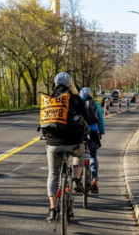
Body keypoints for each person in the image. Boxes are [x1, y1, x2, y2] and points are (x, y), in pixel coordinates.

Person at [42, 72, 89, 222]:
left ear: (55, 84)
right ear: (70, 85)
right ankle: (76, 179)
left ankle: (52, 210)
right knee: (81, 153)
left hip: (53, 145)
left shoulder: (48, 99)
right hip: (74, 143)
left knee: (53, 174)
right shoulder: (75, 99)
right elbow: (86, 120)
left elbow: (43, 123)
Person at [79, 87, 105, 194]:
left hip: (80, 133)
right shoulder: (95, 104)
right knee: (93, 156)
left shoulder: (77, 103)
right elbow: (100, 119)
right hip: (93, 133)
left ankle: (79, 180)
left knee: (78, 157)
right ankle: (94, 180)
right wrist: (101, 132)